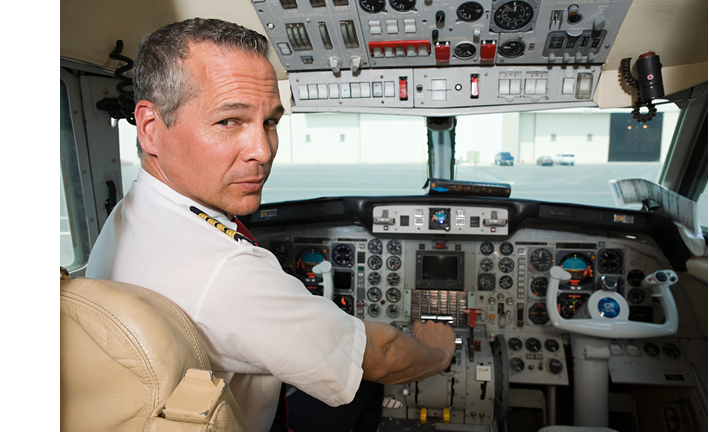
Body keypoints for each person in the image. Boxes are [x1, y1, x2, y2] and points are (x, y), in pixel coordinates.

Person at [85, 18, 456, 432]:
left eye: (271, 122)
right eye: (229, 121)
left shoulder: (130, 215)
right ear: (151, 130)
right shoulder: (224, 271)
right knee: (366, 383)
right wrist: (439, 352)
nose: (263, 151)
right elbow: (381, 356)